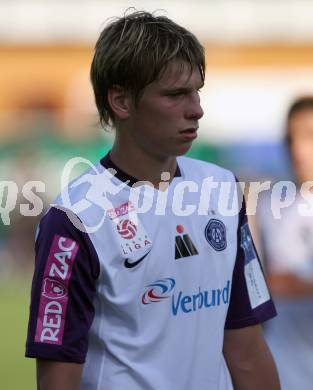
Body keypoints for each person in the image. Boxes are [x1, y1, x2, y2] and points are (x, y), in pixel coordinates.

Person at [25, 11, 280, 390]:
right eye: (176, 94)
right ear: (121, 101)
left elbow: (247, 349)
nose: (196, 109)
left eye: (197, 91)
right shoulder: (75, 219)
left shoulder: (222, 189)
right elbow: (58, 378)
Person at [257, 96, 313, 390]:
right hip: (283, 367)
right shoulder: (269, 205)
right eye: (291, 138)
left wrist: (301, 286)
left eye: (308, 135)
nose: (298, 148)